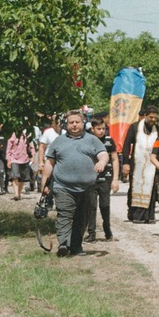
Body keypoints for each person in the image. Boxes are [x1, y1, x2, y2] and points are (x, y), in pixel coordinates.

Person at [38, 110, 109, 257]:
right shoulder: (58, 141)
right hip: (63, 186)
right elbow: (49, 164)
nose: (75, 125)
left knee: (82, 218)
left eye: (77, 122)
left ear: (83, 123)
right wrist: (44, 185)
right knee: (64, 214)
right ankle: (63, 244)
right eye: (71, 122)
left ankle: (76, 246)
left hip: (87, 187)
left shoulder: (92, 140)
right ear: (67, 124)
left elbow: (103, 154)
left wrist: (102, 162)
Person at [86, 113, 118, 242]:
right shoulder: (87, 140)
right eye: (98, 128)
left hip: (106, 177)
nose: (101, 131)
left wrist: (115, 179)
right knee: (91, 206)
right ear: (92, 129)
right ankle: (91, 232)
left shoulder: (109, 141)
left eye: (103, 128)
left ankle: (107, 230)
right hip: (90, 179)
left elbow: (115, 159)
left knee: (105, 206)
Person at [5, 126, 33, 195]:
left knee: (22, 178)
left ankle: (19, 193)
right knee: (15, 176)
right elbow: (8, 148)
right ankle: (16, 194)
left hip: (24, 159)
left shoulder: (27, 135)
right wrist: (8, 159)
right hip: (14, 158)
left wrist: (32, 156)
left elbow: (31, 146)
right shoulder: (13, 135)